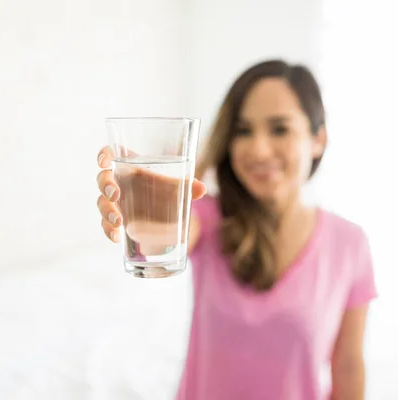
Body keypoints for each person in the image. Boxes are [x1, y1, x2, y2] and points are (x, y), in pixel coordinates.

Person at [95, 59, 377, 400]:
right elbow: (164, 237)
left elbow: (347, 366)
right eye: (243, 131)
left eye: (279, 129)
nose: (258, 149)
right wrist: (139, 201)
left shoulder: (349, 245)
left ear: (318, 139)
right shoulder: (208, 217)